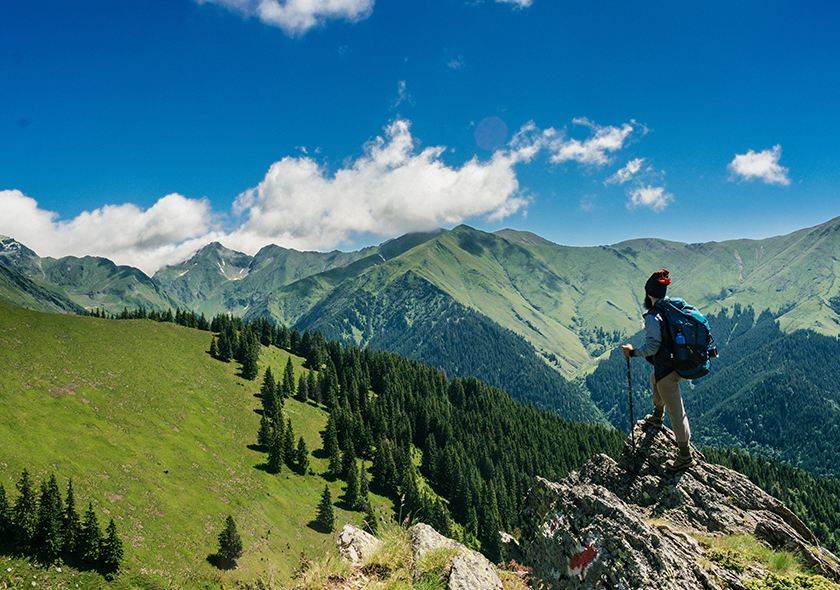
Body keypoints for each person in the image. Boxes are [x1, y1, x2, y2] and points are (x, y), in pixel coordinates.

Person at [621, 268, 693, 471]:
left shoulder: (654, 316)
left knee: (676, 410)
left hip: (668, 369)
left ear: (649, 294)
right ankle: (657, 414)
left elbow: (652, 347)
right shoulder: (673, 307)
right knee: (655, 379)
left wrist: (633, 352)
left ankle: (685, 455)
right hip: (679, 361)